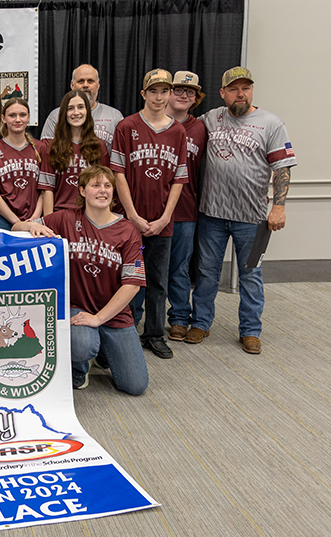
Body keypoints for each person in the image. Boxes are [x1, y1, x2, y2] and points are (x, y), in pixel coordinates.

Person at [186, 67, 297, 354]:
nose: (241, 94)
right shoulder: (210, 118)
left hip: (253, 217)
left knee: (250, 275)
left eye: (246, 88)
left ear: (252, 91)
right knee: (207, 273)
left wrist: (279, 206)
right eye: (234, 89)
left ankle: (250, 330)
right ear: (223, 93)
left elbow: (282, 168)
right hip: (212, 213)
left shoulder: (271, 123)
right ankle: (200, 323)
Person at [13, 165, 148, 395]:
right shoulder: (65, 218)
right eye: (96, 185)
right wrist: (32, 225)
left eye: (107, 186)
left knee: (135, 386)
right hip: (77, 309)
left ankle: (103, 350)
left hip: (113, 314)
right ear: (83, 191)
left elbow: (133, 284)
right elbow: (17, 227)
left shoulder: (128, 230)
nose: (102, 191)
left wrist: (98, 319)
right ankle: (79, 368)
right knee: (82, 345)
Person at [112, 68, 188, 360]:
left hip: (161, 220)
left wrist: (167, 217)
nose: (159, 97)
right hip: (129, 219)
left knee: (158, 280)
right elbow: (118, 173)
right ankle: (125, 332)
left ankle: (154, 334)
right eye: (153, 91)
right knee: (126, 279)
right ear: (143, 94)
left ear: (169, 94)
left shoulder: (177, 131)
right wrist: (131, 214)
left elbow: (179, 179)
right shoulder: (126, 126)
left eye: (164, 91)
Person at [164, 71, 207, 342]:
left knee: (179, 267)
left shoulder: (200, 128)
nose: (183, 96)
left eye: (189, 92)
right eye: (178, 90)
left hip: (185, 211)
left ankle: (179, 317)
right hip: (149, 212)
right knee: (142, 266)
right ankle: (137, 318)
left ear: (196, 98)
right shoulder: (149, 123)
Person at [42, 90, 110, 214]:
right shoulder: (52, 147)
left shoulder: (99, 146)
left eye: (80, 107)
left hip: (90, 214)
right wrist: (49, 222)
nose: (76, 112)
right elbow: (47, 189)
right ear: (64, 113)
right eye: (70, 108)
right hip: (60, 214)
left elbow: (105, 187)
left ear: (87, 112)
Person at [41, 64, 124, 153]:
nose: (85, 85)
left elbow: (121, 155)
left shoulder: (115, 116)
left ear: (98, 86)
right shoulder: (56, 116)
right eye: (81, 81)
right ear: (72, 85)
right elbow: (46, 153)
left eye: (90, 81)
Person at [0, 98, 44, 230]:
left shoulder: (40, 148)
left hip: (34, 219)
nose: (18, 120)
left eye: (23, 115)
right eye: (12, 115)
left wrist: (35, 218)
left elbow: (45, 189)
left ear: (29, 117)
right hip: (4, 220)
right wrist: (16, 222)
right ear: (3, 118)